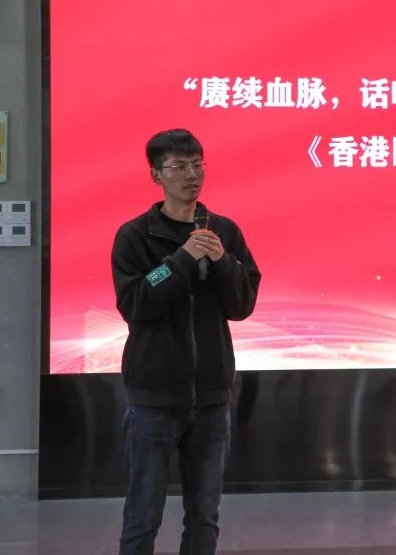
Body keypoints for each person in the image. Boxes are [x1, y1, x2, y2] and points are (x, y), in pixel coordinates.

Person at [111, 128, 261, 555]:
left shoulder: (224, 232)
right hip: (154, 400)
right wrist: (181, 259)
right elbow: (136, 303)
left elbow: (242, 305)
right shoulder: (135, 235)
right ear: (156, 175)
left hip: (212, 400)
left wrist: (222, 261)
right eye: (179, 167)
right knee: (143, 514)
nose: (191, 175)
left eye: (197, 165)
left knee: (204, 516)